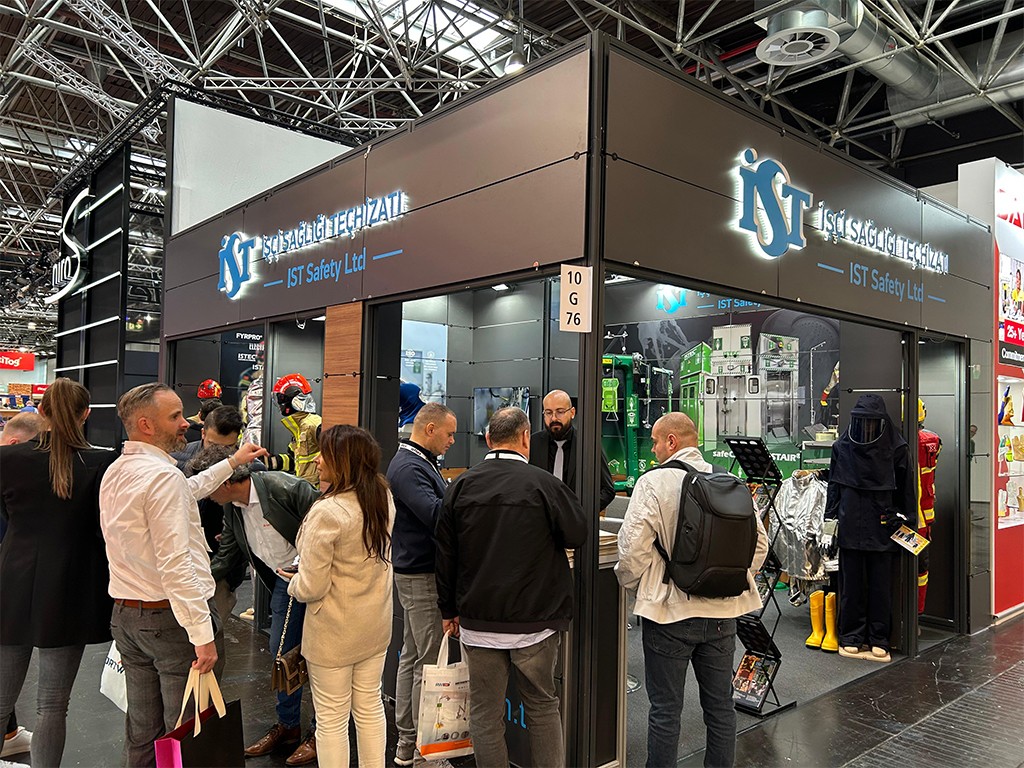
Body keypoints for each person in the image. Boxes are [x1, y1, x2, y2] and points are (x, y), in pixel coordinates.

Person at [99, 382, 266, 766]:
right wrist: (202, 636)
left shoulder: (120, 470)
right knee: (187, 731)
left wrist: (232, 462)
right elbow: (177, 565)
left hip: (127, 617)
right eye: (174, 416)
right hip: (170, 622)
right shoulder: (162, 477)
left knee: (142, 731)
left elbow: (186, 490)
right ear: (146, 424)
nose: (186, 424)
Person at [435, 407, 587, 768]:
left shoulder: (460, 486)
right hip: (536, 621)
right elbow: (577, 534)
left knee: (485, 714)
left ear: (489, 439)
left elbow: (445, 555)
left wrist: (448, 610)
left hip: (478, 621)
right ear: (525, 438)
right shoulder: (545, 485)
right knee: (542, 707)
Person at [616, 412, 768, 768]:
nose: (653, 450)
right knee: (721, 707)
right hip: (723, 616)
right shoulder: (731, 481)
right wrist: (726, 578)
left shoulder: (653, 482)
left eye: (656, 442)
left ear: (672, 441)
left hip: (669, 613)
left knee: (665, 710)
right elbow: (759, 545)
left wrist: (637, 587)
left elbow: (631, 551)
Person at [0, 378, 119, 768]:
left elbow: (7, 517)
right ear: (86, 414)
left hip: (11, 581)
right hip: (71, 586)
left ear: (41, 411)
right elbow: (105, 528)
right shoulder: (102, 462)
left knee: (1, 700)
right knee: (53, 704)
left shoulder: (8, 458)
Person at [188, 445, 320, 766]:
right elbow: (228, 552)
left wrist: (305, 566)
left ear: (225, 481)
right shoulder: (232, 507)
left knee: (320, 656)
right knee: (281, 653)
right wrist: (195, 583)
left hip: (317, 579)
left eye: (209, 483)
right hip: (283, 583)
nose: (205, 492)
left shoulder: (285, 488)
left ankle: (321, 731)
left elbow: (324, 527)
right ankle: (288, 726)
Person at [282, 425, 395, 768]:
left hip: (333, 634)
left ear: (343, 461)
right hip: (374, 626)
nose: (317, 459)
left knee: (331, 719)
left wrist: (292, 583)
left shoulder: (327, 512)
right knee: (370, 707)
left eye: (325, 454)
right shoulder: (381, 497)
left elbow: (312, 587)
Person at [386, 402, 457, 766]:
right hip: (420, 575)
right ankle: (423, 751)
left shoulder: (418, 462)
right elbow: (435, 515)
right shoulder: (409, 467)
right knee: (426, 664)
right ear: (430, 429)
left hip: (416, 571)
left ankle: (407, 743)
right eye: (449, 434)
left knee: (413, 657)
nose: (452, 441)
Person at [529, 389, 616, 511]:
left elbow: (607, 490)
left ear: (572, 412)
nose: (554, 418)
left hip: (576, 519)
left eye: (560, 412)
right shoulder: (533, 443)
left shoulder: (588, 445)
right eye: (548, 413)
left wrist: (581, 512)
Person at [267, 373, 322, 486]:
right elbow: (295, 461)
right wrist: (271, 461)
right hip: (304, 489)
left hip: (316, 491)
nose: (280, 403)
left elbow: (334, 458)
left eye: (281, 398)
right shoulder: (299, 427)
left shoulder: (314, 424)